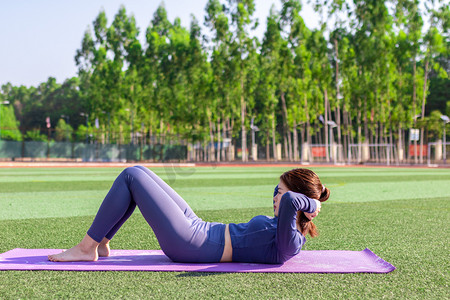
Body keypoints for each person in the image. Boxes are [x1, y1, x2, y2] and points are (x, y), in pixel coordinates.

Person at [48, 166, 329, 264]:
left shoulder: (291, 242)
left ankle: (87, 248)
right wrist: (307, 203)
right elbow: (291, 199)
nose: (275, 196)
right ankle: (102, 241)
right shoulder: (285, 228)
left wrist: (311, 204)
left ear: (302, 205)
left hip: (193, 243)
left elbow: (292, 199)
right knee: (139, 172)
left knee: (131, 177)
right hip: (201, 228)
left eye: (278, 192)